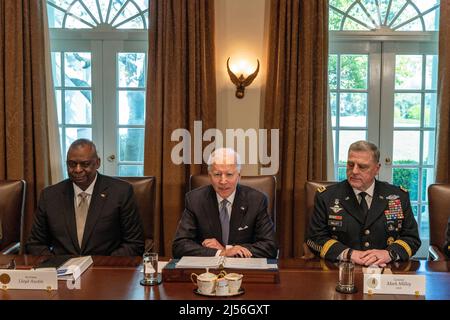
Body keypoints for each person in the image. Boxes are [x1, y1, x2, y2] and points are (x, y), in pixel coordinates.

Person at [306, 140, 421, 266]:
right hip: (341, 269)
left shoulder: (398, 196)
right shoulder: (327, 197)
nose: (354, 171)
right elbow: (315, 238)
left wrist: (389, 254)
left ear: (377, 169)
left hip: (386, 270)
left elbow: (412, 238)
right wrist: (348, 254)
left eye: (362, 166)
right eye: (350, 165)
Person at [26, 139, 144, 256]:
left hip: (104, 269)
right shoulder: (50, 196)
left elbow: (134, 244)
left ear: (97, 163)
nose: (77, 170)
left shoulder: (120, 192)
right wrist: (55, 266)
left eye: (85, 164)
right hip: (62, 270)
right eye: (72, 164)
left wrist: (102, 265)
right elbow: (35, 244)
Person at [172, 148, 278, 258]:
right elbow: (179, 246)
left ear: (239, 176)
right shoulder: (195, 200)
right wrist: (221, 253)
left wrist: (228, 249)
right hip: (207, 272)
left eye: (229, 174)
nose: (223, 181)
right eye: (217, 174)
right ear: (209, 176)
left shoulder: (257, 201)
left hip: (243, 271)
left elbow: (270, 247)